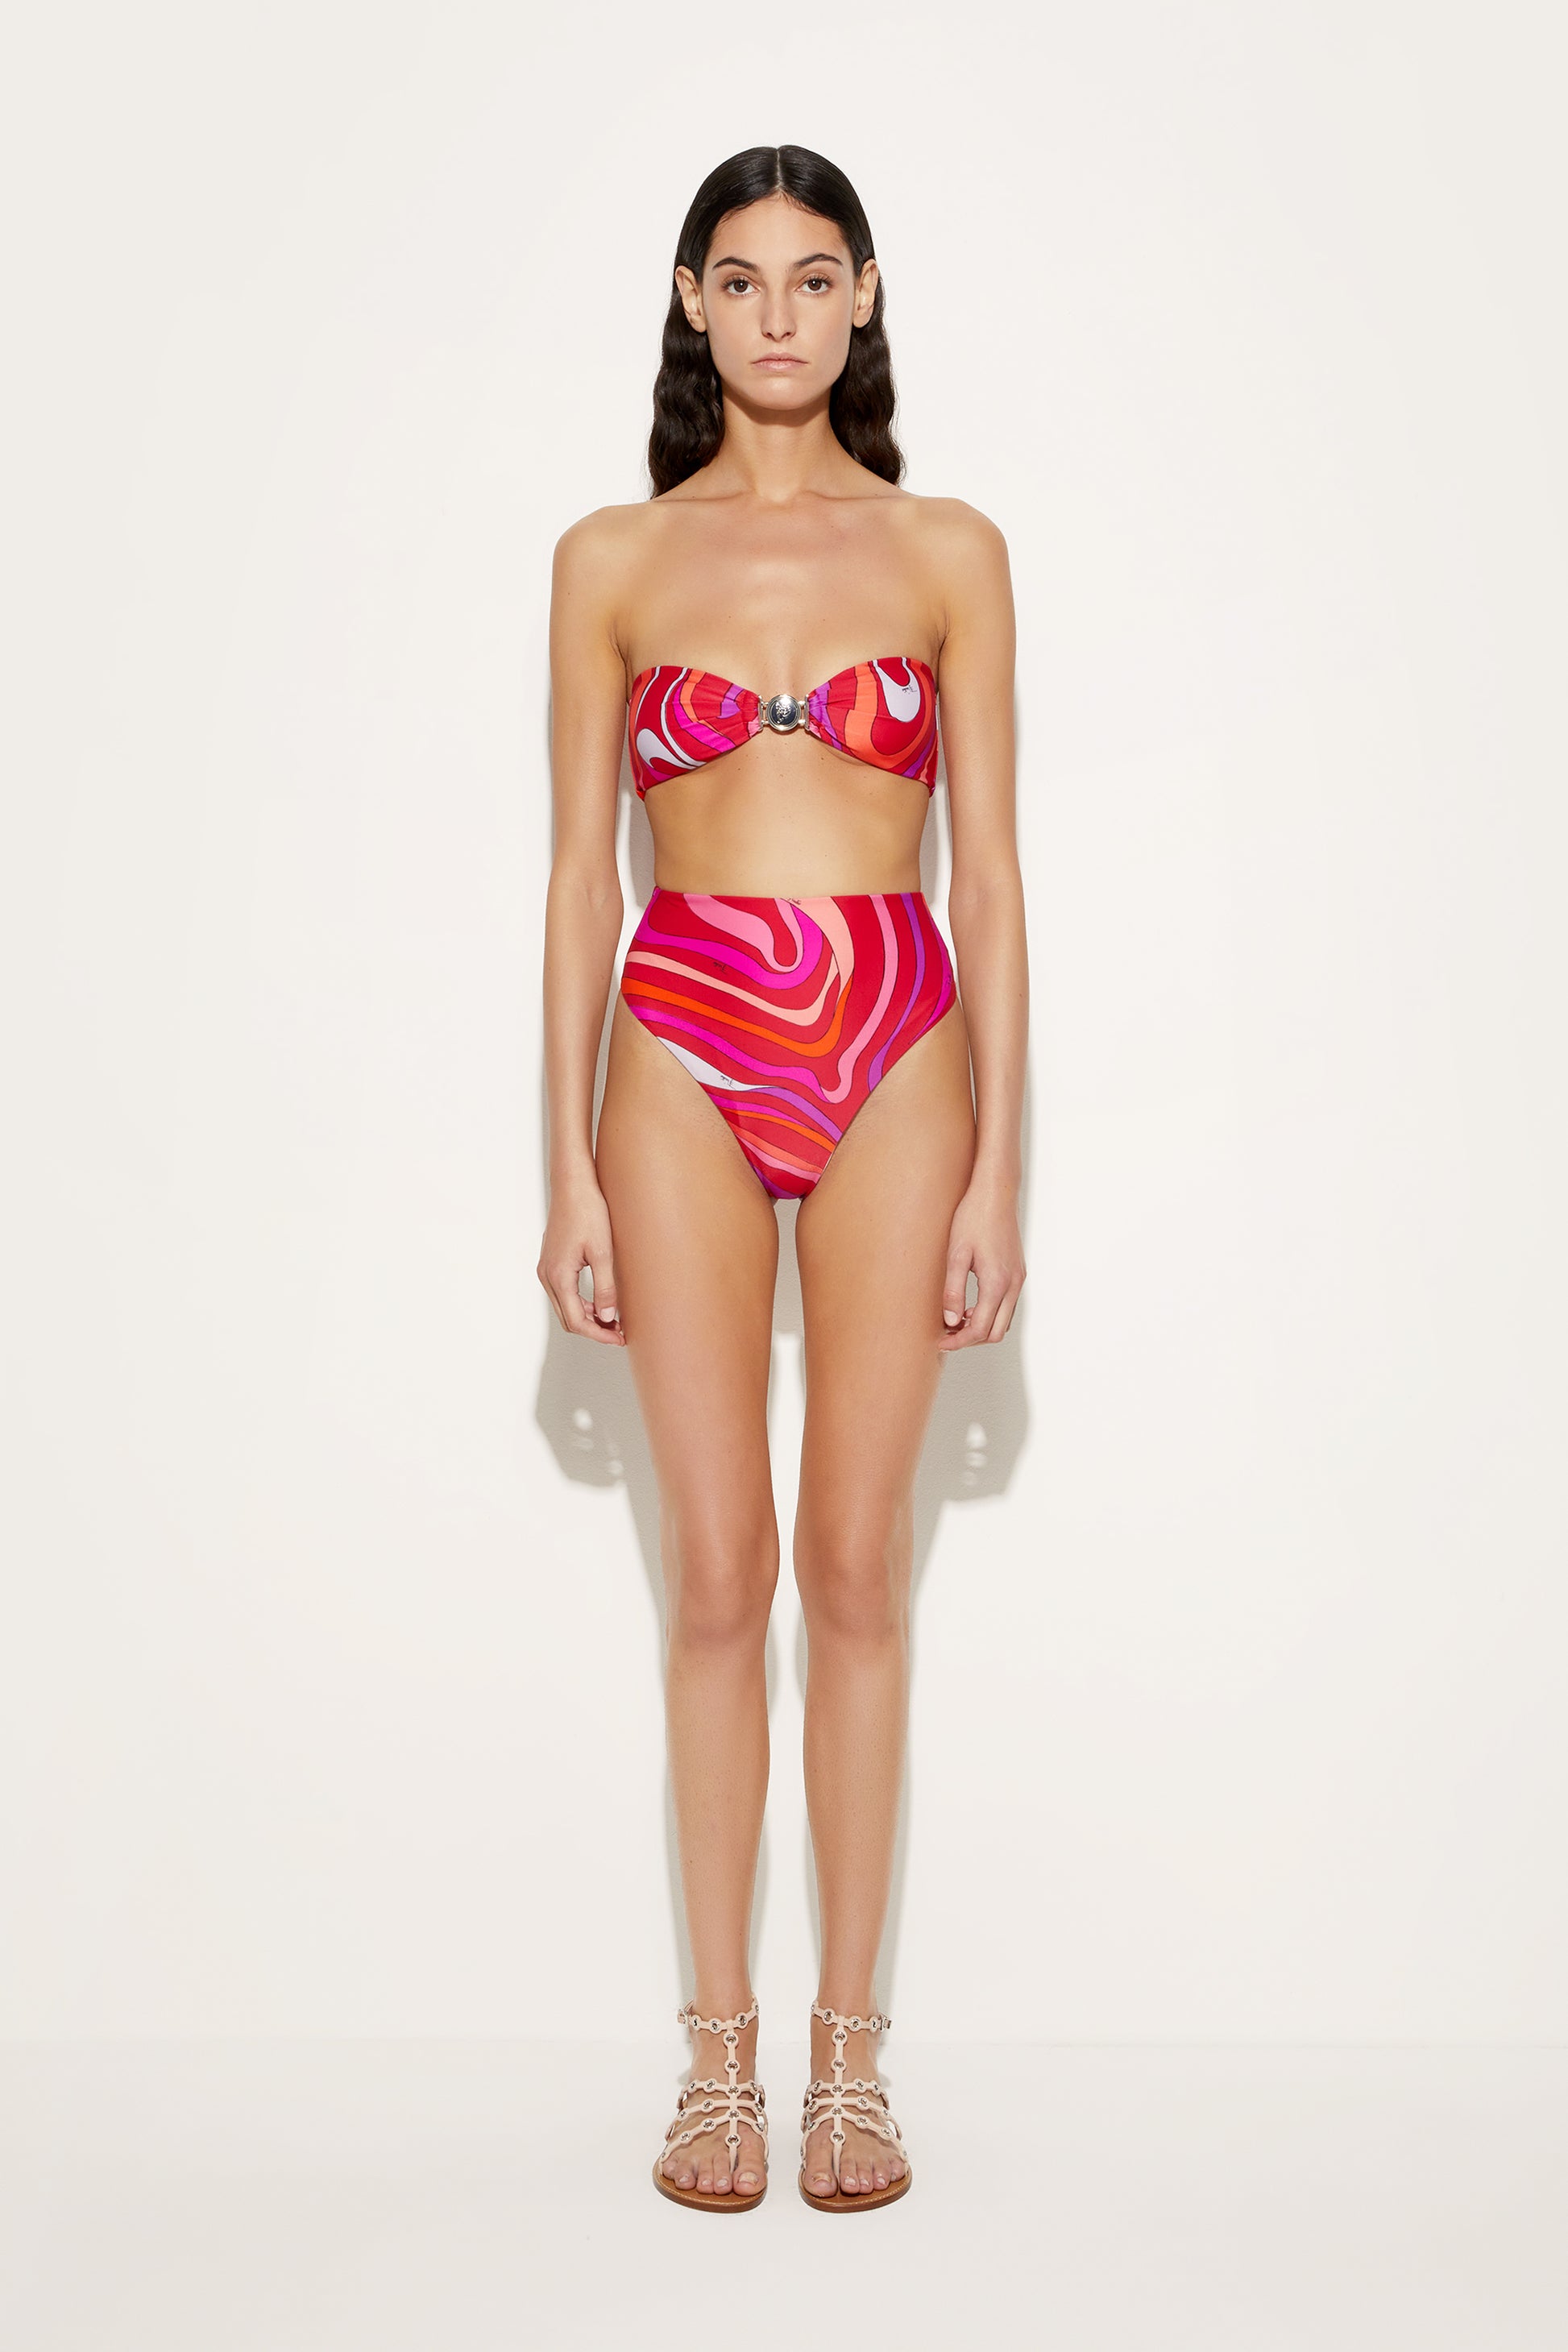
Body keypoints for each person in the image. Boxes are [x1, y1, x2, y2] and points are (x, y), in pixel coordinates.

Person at [537, 144, 1027, 2212]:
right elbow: (581, 877)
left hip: (894, 1034)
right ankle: (715, 2061)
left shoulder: (948, 548)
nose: (776, 316)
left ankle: (851, 2064)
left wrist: (1004, 1167)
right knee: (719, 1576)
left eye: (812, 278)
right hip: (679, 1040)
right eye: (739, 280)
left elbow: (989, 878)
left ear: (865, 296)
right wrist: (562, 1164)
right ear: (690, 301)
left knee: (855, 1571)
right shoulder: (609, 559)